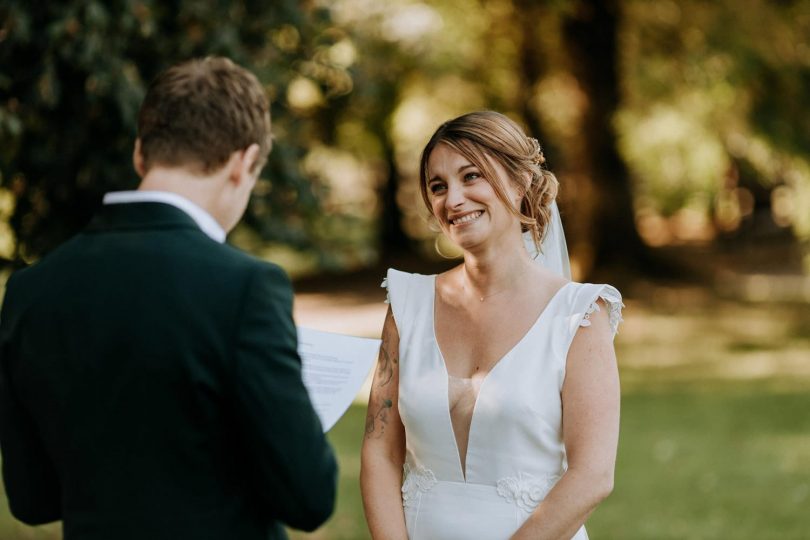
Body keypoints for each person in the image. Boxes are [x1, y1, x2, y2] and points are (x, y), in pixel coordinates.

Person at [0, 57, 337, 540]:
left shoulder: (31, 290)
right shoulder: (245, 288)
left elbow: (32, 500)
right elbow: (309, 498)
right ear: (243, 164)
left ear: (141, 154)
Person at [360, 110, 622, 539]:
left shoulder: (580, 315)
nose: (454, 200)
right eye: (438, 186)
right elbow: (379, 451)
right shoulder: (406, 304)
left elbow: (593, 475)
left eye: (471, 176)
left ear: (520, 184)